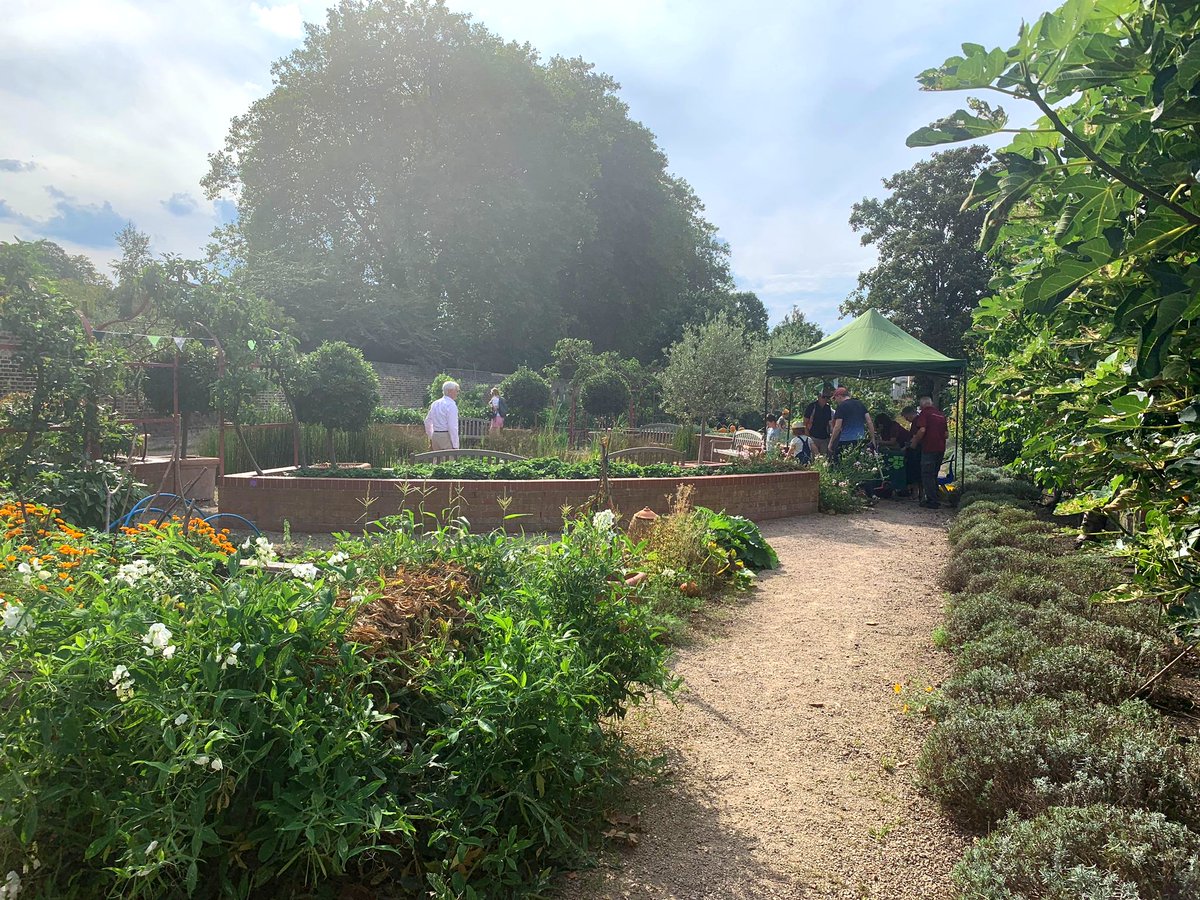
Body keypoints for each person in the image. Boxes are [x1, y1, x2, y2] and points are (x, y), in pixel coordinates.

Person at [910, 395, 948, 509]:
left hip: (929, 448)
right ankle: (936, 497)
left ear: (922, 405)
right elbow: (946, 434)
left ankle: (932, 501)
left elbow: (922, 429)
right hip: (940, 448)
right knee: (934, 474)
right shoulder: (941, 415)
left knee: (927, 475)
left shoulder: (924, 414)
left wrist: (915, 442)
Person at [827, 386, 876, 460]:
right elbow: (869, 421)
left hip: (845, 441)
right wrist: (873, 439)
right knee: (859, 464)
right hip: (860, 440)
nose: (836, 401)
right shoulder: (860, 404)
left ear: (839, 396)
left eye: (835, 398)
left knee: (844, 465)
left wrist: (831, 442)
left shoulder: (841, 407)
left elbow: (837, 427)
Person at [424, 380, 460, 450]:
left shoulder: (435, 403)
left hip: (435, 435)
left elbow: (427, 421)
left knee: (436, 460)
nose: (457, 393)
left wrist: (431, 436)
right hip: (446, 436)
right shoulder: (451, 405)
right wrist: (456, 445)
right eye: (456, 391)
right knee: (449, 459)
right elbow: (452, 426)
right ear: (450, 391)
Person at [899, 405, 921, 499]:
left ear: (910, 414)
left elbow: (915, 437)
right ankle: (917, 492)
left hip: (917, 450)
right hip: (916, 449)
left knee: (915, 471)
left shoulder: (917, 422)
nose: (906, 419)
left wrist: (907, 447)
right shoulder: (916, 422)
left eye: (906, 417)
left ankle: (916, 492)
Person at [803, 389, 833, 456]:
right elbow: (805, 423)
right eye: (823, 397)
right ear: (819, 397)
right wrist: (808, 438)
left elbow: (829, 423)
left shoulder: (828, 408)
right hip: (813, 436)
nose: (825, 399)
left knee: (824, 458)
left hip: (825, 438)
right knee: (813, 458)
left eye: (827, 397)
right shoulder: (812, 406)